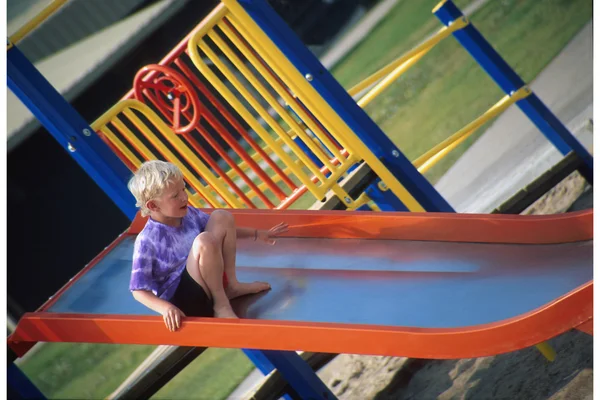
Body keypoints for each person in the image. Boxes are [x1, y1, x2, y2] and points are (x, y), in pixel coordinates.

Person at [127, 160, 288, 331]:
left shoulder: (188, 214)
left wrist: (257, 234)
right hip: (186, 300)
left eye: (183, 188)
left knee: (221, 216)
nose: (184, 197)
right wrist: (166, 308)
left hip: (206, 280)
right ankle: (221, 305)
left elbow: (223, 228)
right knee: (204, 240)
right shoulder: (147, 239)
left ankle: (231, 286)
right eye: (175, 196)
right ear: (153, 205)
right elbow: (138, 290)